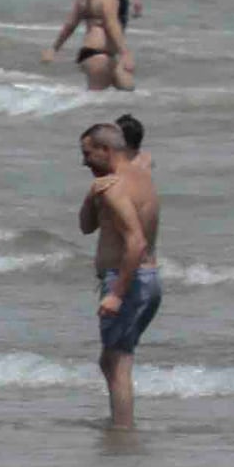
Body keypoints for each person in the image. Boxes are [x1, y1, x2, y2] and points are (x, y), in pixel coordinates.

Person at [78, 115, 157, 427]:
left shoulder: (115, 189)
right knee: (112, 360)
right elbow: (87, 226)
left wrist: (115, 294)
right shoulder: (142, 176)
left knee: (116, 362)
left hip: (129, 280)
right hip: (147, 280)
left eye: (87, 154)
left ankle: (123, 432)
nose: (83, 162)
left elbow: (135, 243)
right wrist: (91, 193)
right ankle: (120, 426)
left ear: (106, 150)